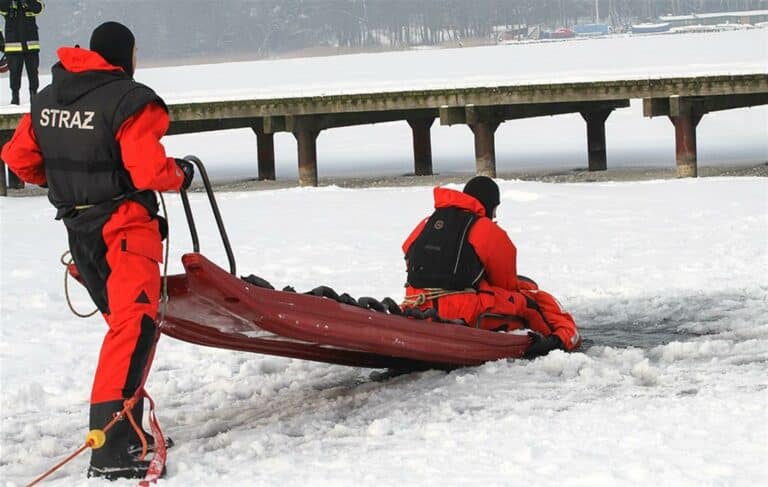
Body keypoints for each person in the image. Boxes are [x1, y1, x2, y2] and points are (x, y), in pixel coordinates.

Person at [0, 21, 194, 479]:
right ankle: (110, 449)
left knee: (127, 332)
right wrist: (179, 174)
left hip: (80, 235)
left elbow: (19, 159)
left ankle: (128, 430)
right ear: (125, 55)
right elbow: (147, 171)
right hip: (123, 230)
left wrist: (69, 183)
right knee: (134, 328)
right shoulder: (130, 101)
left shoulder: (49, 99)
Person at [401, 176, 581, 358]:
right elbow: (505, 283)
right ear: (488, 205)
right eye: (494, 209)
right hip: (462, 308)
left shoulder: (428, 222)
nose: (494, 215)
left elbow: (408, 251)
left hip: (417, 300)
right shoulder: (484, 228)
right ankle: (554, 342)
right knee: (528, 302)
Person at [0, 0, 43, 104]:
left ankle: (34, 95)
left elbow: (39, 8)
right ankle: (15, 97)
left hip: (31, 45)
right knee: (14, 73)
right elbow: (2, 7)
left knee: (33, 72)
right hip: (13, 46)